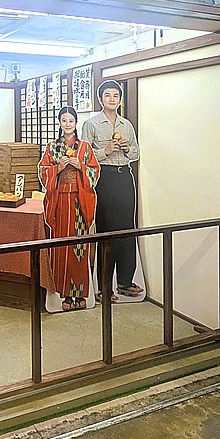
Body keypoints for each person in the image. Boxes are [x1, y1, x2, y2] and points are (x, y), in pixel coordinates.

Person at [81, 80, 142, 302]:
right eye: (107, 95)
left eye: (116, 95)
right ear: (100, 99)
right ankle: (103, 287)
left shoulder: (127, 125)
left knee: (127, 229)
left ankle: (125, 281)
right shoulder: (91, 124)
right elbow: (84, 156)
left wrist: (127, 148)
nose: (112, 99)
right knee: (106, 231)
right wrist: (105, 151)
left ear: (120, 99)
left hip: (124, 177)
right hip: (104, 179)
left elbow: (136, 153)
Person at [38, 106, 100, 311]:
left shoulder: (84, 148)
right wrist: (59, 168)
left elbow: (94, 171)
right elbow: (43, 171)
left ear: (75, 123)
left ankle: (79, 292)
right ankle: (64, 294)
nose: (67, 124)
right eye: (64, 120)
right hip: (59, 202)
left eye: (71, 120)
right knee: (61, 247)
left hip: (79, 201)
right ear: (59, 123)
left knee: (78, 247)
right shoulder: (52, 147)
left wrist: (80, 166)